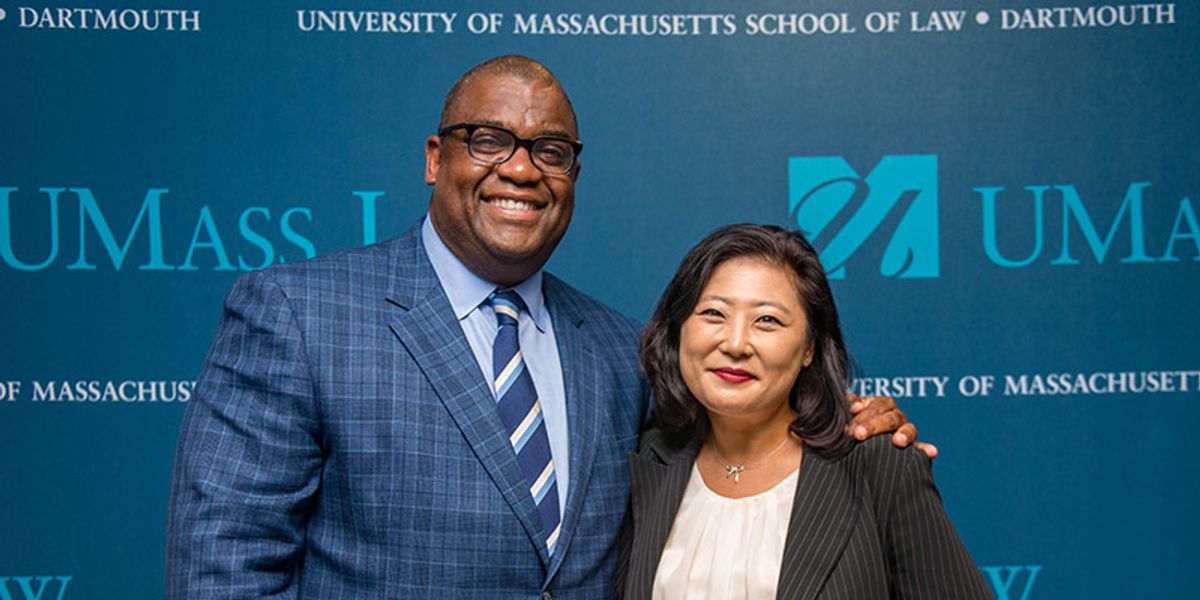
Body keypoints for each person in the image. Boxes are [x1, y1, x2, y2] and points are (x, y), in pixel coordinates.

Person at [166, 56, 919, 598]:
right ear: (436, 159)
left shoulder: (621, 350)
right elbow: (223, 568)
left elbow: (736, 452)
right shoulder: (301, 314)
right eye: (488, 139)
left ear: (573, 177)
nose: (521, 170)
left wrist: (850, 431)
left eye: (550, 151)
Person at [616, 224, 988, 599]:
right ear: (679, 328)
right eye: (714, 313)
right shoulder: (647, 462)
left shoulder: (875, 465)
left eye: (767, 320)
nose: (735, 342)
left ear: (809, 347)